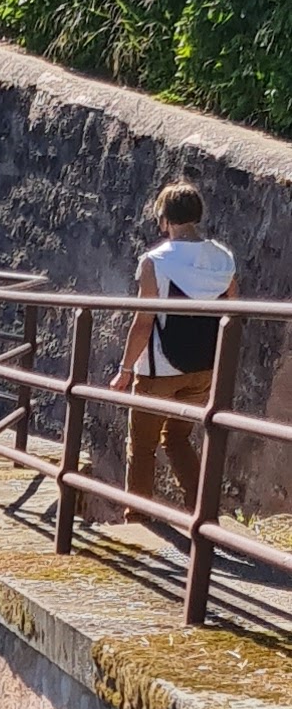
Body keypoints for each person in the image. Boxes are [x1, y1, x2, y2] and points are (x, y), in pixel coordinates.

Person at [114, 177, 237, 515]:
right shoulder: (223, 258)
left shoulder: (155, 261)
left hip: (159, 370)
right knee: (178, 438)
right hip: (204, 368)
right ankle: (202, 511)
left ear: (164, 218)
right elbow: (232, 310)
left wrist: (125, 369)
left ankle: (137, 518)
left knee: (142, 446)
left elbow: (144, 321)